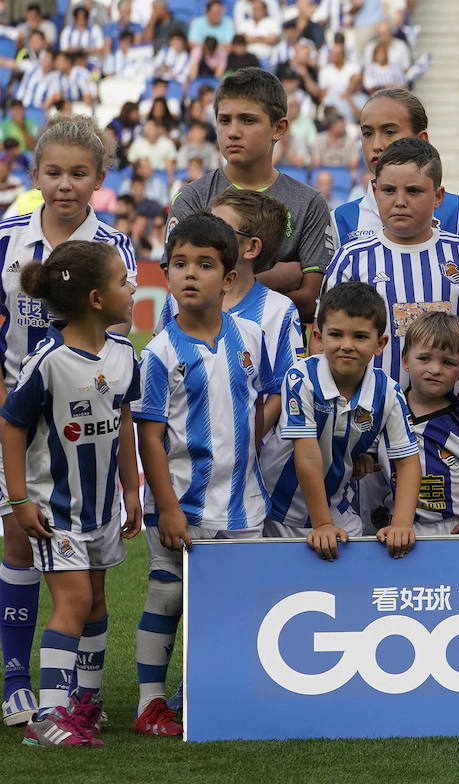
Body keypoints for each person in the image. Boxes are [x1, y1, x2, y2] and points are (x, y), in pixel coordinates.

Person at [0, 116, 137, 727]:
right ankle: (15, 681)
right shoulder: (6, 236)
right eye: (53, 172)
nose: (64, 185)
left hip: (79, 420)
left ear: (99, 180)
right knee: (18, 541)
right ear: (35, 176)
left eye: (78, 173)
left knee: (81, 568)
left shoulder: (113, 247)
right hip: (15, 405)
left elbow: (115, 349)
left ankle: (76, 699)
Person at [131, 213, 281, 737]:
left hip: (243, 503)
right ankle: (150, 702)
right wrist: (167, 506)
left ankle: (206, 692)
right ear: (166, 274)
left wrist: (245, 442)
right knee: (168, 596)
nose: (190, 274)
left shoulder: (252, 336)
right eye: (179, 264)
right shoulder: (158, 353)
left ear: (230, 277)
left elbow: (263, 400)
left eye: (205, 264)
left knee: (232, 600)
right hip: (181, 506)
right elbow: (149, 436)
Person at [325, 137, 459, 422]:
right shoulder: (351, 259)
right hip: (369, 426)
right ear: (375, 192)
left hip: (453, 424)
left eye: (414, 191)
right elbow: (325, 344)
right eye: (389, 191)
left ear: (438, 196)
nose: (400, 201)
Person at [259, 282, 421, 560]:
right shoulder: (301, 378)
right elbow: (307, 457)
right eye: (336, 334)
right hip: (278, 508)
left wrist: (402, 524)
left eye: (359, 336)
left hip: (338, 507)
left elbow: (407, 461)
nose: (347, 345)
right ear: (319, 337)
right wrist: (322, 525)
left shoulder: (388, 391)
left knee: (350, 587)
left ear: (380, 344)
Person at [169, 67, 335, 322]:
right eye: (224, 120)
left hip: (280, 356)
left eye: (248, 120)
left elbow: (311, 301)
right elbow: (182, 293)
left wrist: (219, 282)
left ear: (278, 128)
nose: (233, 131)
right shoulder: (192, 198)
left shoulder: (309, 203)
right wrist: (282, 276)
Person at [160, 190, 303, 424]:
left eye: (220, 227)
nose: (207, 234)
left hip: (254, 456)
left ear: (251, 247)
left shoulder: (279, 311)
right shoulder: (176, 301)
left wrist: (248, 444)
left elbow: (281, 389)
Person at [331, 88, 459, 261]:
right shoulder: (340, 219)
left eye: (389, 132)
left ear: (421, 139)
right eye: (367, 133)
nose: (376, 145)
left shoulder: (458, 210)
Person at [385, 311, 459, 535]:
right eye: (424, 359)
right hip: (397, 526)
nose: (435, 369)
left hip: (452, 526)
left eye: (447, 363)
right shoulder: (389, 410)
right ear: (405, 360)